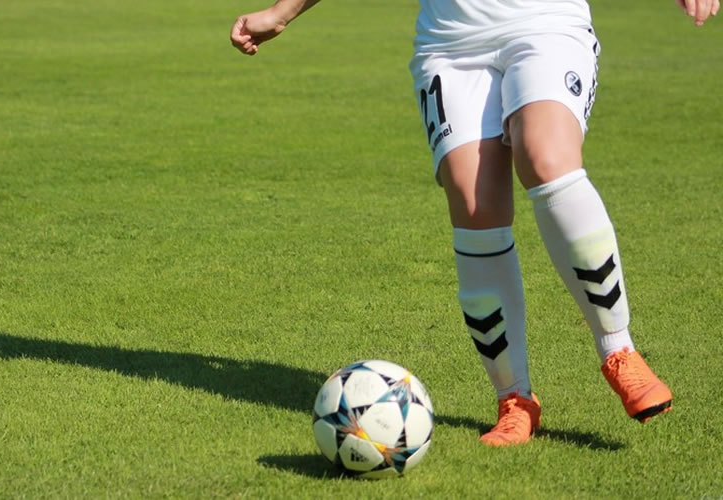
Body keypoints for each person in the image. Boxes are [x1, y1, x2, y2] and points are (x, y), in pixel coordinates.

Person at [229, 0, 718, 446]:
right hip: (450, 43)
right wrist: (282, 12)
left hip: (545, 23)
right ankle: (515, 399)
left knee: (546, 159)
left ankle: (619, 351)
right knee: (474, 205)